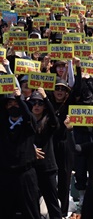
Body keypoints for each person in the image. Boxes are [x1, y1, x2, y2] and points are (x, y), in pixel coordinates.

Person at [0, 88, 41, 219]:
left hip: (25, 175)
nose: (13, 106)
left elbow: (28, 116)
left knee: (31, 211)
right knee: (5, 211)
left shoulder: (28, 124)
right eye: (10, 104)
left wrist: (19, 98)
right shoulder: (2, 124)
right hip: (6, 174)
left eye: (16, 103)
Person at [29, 88, 62, 219]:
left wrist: (46, 99)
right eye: (33, 103)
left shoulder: (48, 122)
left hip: (47, 168)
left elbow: (55, 120)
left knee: (52, 202)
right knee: (32, 203)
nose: (36, 106)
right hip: (31, 168)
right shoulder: (25, 122)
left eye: (40, 103)